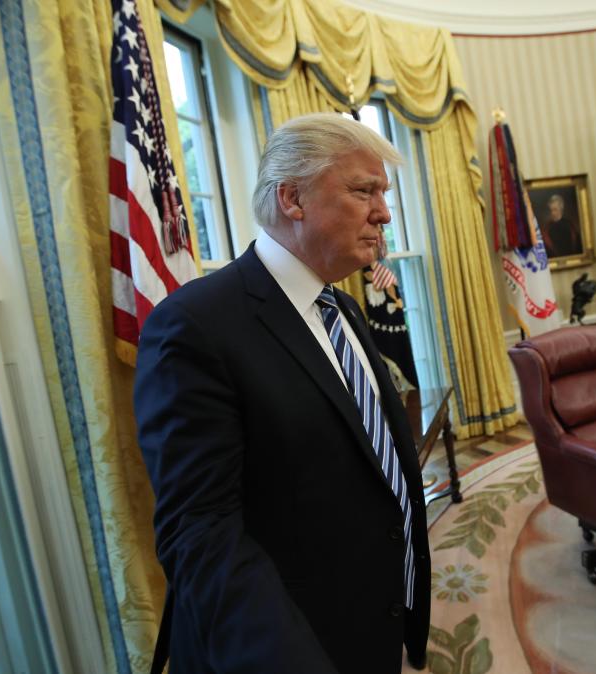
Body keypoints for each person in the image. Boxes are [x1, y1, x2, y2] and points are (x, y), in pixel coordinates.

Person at [134, 113, 430, 674]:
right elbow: (202, 536)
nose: (384, 212)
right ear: (292, 198)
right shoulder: (194, 326)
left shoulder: (341, 308)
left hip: (371, 626)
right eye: (364, 190)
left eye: (383, 194)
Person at [540, 193, 582, 258]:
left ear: (561, 209)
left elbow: (577, 247)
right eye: (551, 210)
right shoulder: (547, 228)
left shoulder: (570, 225)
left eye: (555, 210)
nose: (553, 213)